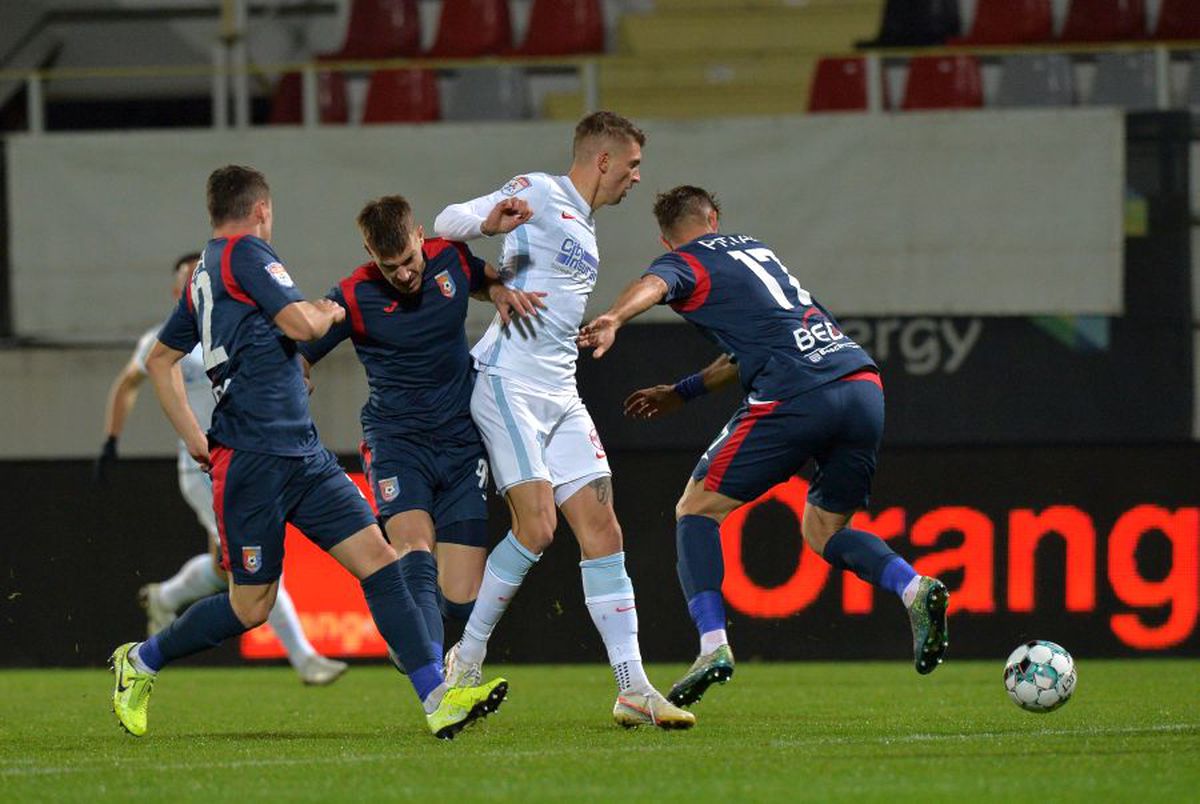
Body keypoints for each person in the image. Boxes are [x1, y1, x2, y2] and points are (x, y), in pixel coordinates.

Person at [108, 165, 507, 740]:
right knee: (251, 607)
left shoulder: (204, 272)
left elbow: (158, 359)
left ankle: (435, 697)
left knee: (381, 561)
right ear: (261, 209)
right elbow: (302, 323)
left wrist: (193, 435)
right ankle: (141, 660)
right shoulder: (245, 253)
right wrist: (331, 311)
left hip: (302, 452)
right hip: (251, 458)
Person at [578, 185, 950, 708]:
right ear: (714, 217)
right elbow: (747, 351)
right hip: (860, 382)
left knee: (695, 510)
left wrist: (615, 317)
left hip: (797, 394)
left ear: (666, 239)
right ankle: (913, 587)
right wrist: (683, 392)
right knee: (824, 532)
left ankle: (712, 645)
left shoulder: (684, 261)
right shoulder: (756, 250)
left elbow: (654, 284)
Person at [432, 111, 695, 730]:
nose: (637, 177)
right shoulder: (541, 192)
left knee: (604, 529)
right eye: (632, 165)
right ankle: (465, 659)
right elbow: (445, 222)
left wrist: (600, 327)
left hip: (559, 391)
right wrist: (488, 223)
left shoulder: (586, 225)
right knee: (538, 527)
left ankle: (633, 688)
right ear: (603, 160)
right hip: (508, 383)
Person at [299, 195, 544, 671]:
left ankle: (413, 628)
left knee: (462, 597)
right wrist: (298, 376)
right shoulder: (354, 295)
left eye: (409, 260)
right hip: (397, 443)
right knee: (413, 547)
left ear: (419, 237)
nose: (404, 274)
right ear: (371, 255)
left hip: (461, 443)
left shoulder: (451, 257)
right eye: (389, 267)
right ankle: (430, 675)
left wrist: (497, 291)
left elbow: (482, 279)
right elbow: (302, 348)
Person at [97, 253, 347, 686]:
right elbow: (128, 383)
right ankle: (305, 658)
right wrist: (111, 440)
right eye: (184, 283)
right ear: (177, 293)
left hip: (251, 456)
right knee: (255, 563)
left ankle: (165, 596)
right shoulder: (164, 342)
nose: (192, 289)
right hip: (203, 467)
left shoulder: (237, 330)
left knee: (226, 566)